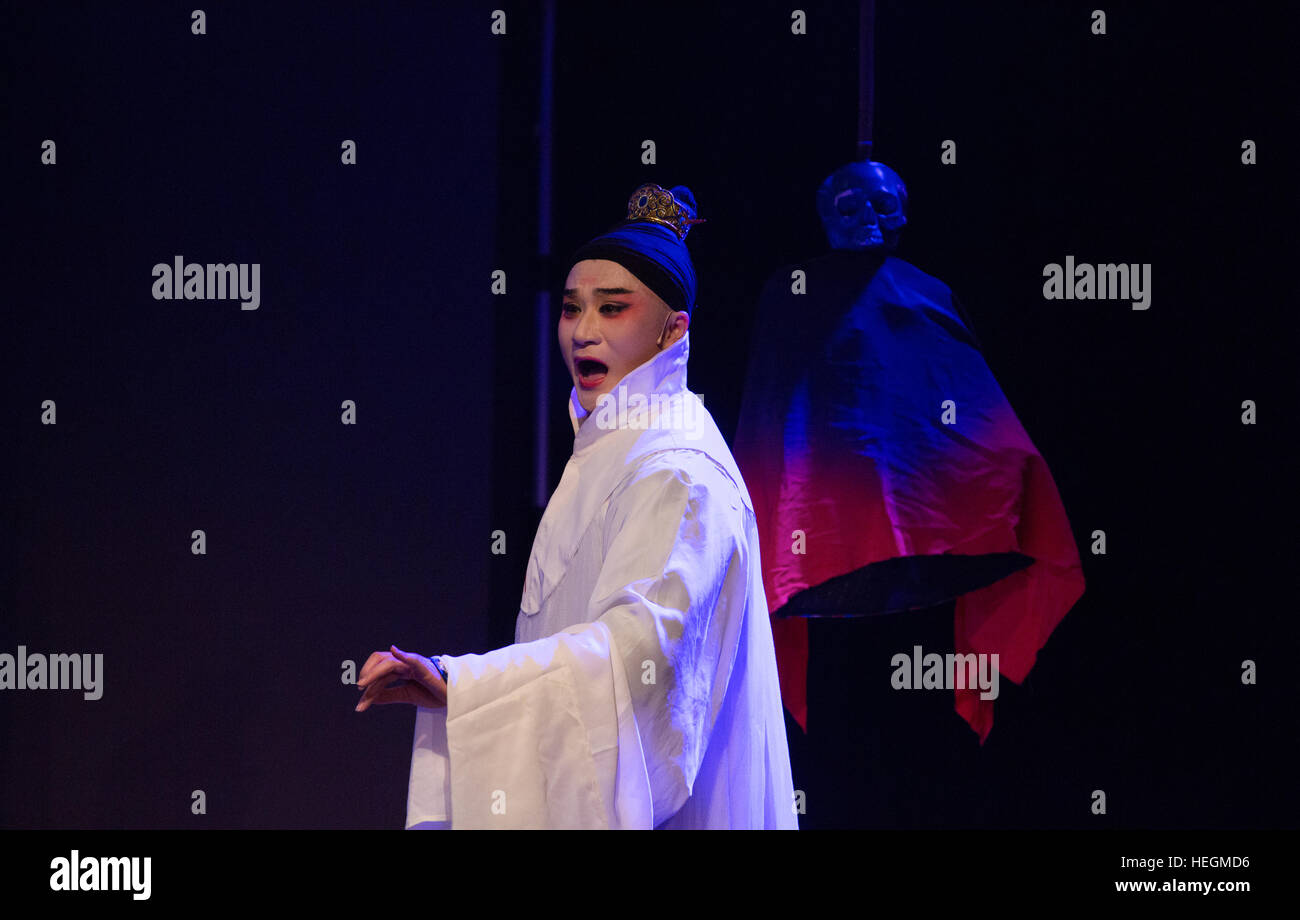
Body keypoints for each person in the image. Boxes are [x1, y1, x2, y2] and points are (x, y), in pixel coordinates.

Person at [356, 183, 797, 829]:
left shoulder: (677, 466)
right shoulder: (613, 442)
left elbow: (640, 657)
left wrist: (466, 685)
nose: (583, 332)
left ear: (672, 330)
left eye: (613, 309)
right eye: (571, 308)